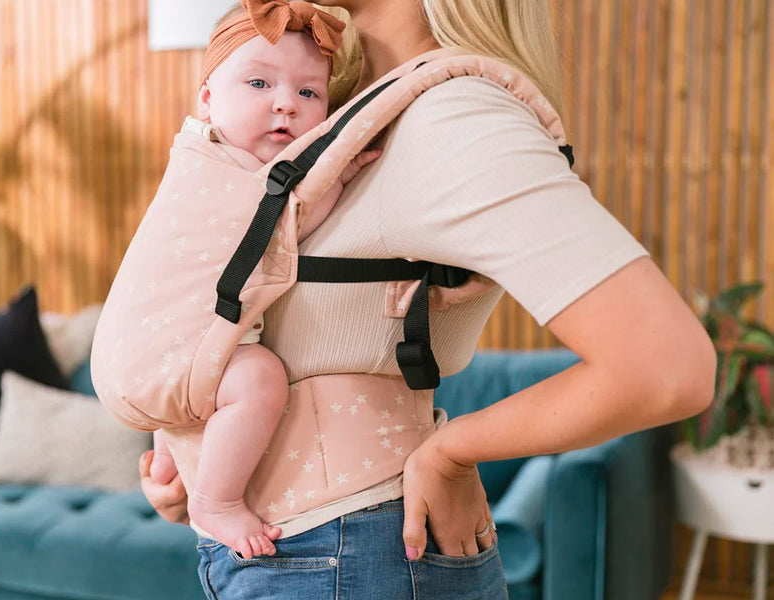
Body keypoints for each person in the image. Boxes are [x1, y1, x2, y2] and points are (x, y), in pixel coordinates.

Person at [142, 0, 716, 597]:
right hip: (289, 553)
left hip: (349, 555)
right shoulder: (332, 108)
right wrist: (194, 459)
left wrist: (451, 452)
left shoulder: (454, 117)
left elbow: (666, 367)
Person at [147, 1, 378, 561]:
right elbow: (285, 230)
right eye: (258, 83)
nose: (285, 104)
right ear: (207, 98)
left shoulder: (233, 165)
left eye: (308, 93)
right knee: (261, 383)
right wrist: (337, 175)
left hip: (173, 344)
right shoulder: (219, 168)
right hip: (179, 337)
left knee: (186, 413)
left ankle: (169, 458)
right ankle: (217, 501)